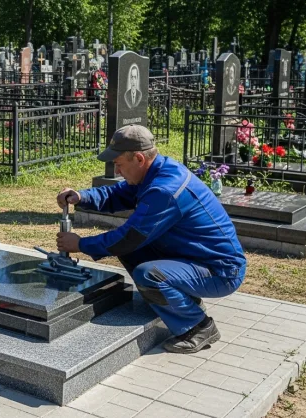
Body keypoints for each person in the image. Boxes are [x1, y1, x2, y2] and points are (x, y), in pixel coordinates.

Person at [56, 125, 247, 354]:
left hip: (221, 271)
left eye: (119, 164)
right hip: (195, 258)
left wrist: (80, 244)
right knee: (132, 251)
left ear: (138, 158)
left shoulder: (164, 190)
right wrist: (82, 197)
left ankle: (198, 327)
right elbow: (118, 194)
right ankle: (180, 300)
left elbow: (129, 237)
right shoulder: (156, 171)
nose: (117, 170)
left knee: (148, 273)